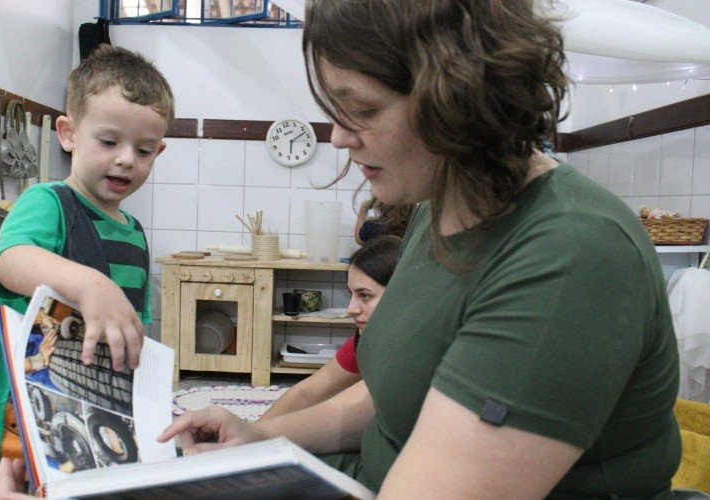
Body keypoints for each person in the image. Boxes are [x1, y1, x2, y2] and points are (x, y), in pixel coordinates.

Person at [160, 1, 681, 498]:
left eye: (362, 109)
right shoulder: (438, 207)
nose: (338, 138)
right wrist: (261, 437)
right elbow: (395, 401)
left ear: (459, 98)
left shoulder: (571, 253)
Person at [0, 45, 174, 499]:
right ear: (68, 133)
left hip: (94, 401)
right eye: (108, 142)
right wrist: (89, 283)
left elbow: (136, 322)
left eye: (142, 150)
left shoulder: (134, 231)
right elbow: (10, 260)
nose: (125, 160)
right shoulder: (49, 202)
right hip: (22, 407)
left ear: (158, 151)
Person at [260, 236, 401, 420]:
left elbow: (340, 416)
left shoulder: (416, 352)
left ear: (401, 291)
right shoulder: (364, 342)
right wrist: (253, 432)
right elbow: (306, 394)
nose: (351, 309)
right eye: (351, 294)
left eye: (365, 296)